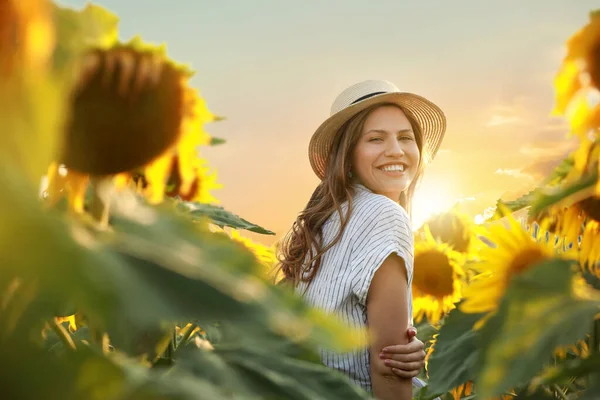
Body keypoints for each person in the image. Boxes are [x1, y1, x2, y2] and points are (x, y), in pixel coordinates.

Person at [276, 79, 446, 399]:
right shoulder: (384, 215)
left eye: (405, 137)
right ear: (348, 155)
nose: (395, 150)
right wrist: (400, 353)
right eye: (376, 138)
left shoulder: (326, 222)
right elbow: (389, 367)